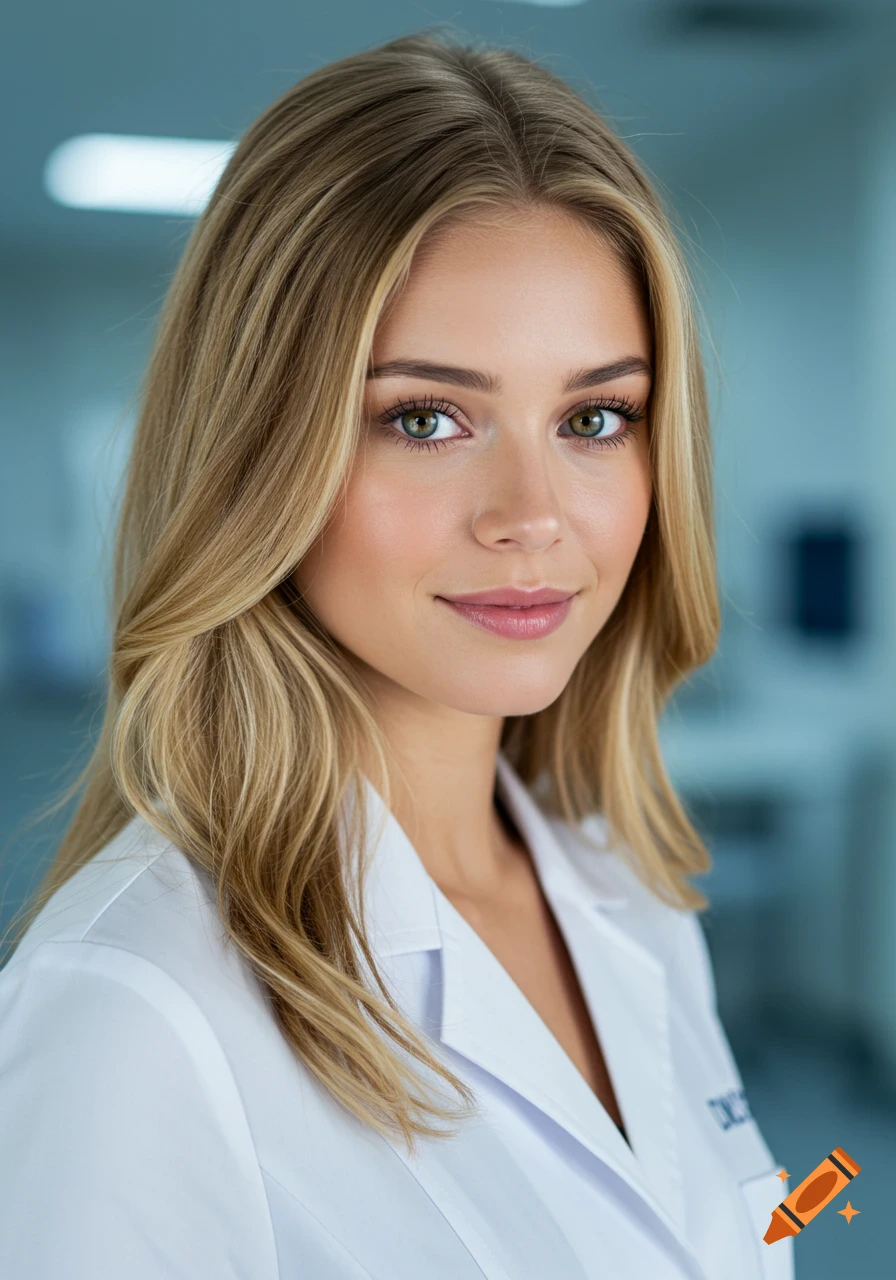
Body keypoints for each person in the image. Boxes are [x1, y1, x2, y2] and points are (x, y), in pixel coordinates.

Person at [0, 27, 793, 1280]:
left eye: (595, 416)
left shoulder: (626, 892)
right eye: (425, 418)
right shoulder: (135, 1013)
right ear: (260, 452)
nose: (530, 512)